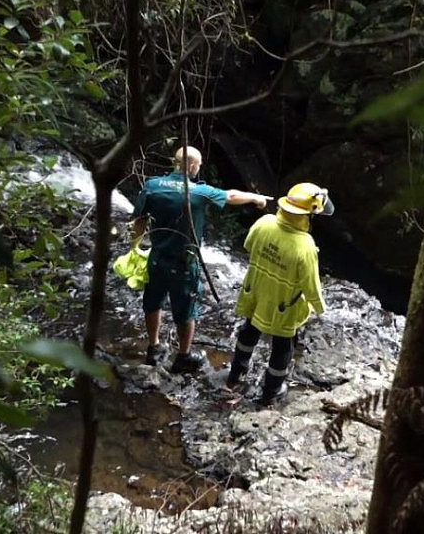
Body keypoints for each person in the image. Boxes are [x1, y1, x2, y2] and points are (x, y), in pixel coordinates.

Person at [131, 145, 270, 373]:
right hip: (184, 264)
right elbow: (231, 195)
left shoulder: (152, 186)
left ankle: (154, 347)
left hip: (156, 258)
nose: (200, 167)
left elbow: (139, 221)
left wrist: (134, 249)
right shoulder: (197, 192)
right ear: (192, 165)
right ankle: (183, 356)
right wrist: (256, 198)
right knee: (186, 311)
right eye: (199, 164)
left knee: (153, 301)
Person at [226, 182, 332, 405]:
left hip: (256, 291)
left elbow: (247, 245)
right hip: (283, 304)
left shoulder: (264, 222)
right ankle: (271, 392)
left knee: (249, 331)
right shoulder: (306, 245)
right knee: (283, 346)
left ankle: (235, 374)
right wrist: (321, 309)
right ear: (307, 216)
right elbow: (311, 286)